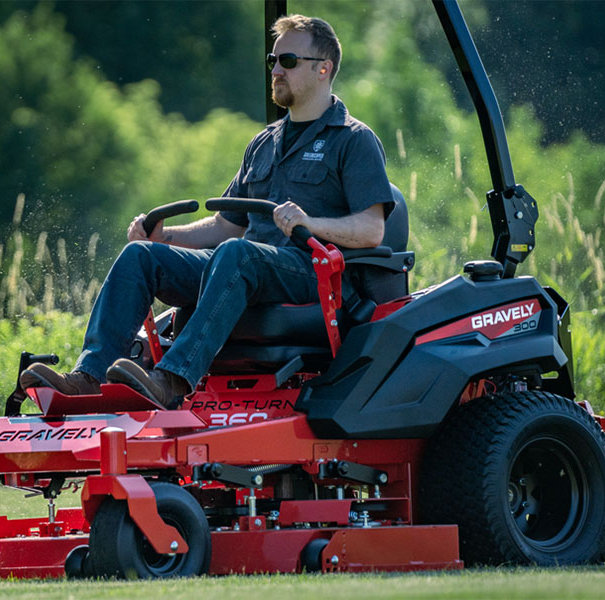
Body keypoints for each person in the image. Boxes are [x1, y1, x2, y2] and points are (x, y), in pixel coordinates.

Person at [20, 14, 394, 408]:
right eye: (273, 61)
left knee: (237, 256)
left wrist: (308, 223)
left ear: (323, 69)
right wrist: (165, 237)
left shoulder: (354, 140)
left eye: (287, 61)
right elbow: (226, 225)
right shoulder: (263, 143)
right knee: (141, 256)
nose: (276, 71)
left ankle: (173, 380)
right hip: (248, 266)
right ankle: (89, 377)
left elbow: (372, 230)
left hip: (312, 273)